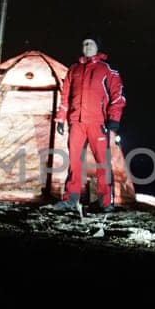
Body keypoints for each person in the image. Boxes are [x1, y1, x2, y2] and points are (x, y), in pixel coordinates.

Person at [52, 35, 126, 211]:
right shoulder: (74, 69)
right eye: (84, 43)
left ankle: (105, 202)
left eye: (91, 43)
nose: (87, 46)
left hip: (98, 123)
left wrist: (114, 120)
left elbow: (118, 96)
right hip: (76, 122)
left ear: (98, 47)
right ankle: (71, 199)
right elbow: (65, 97)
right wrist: (61, 118)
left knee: (102, 163)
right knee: (74, 162)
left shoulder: (107, 70)